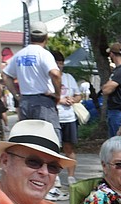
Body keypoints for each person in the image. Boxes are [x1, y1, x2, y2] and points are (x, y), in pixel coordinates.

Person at [2, 21, 61, 142]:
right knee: (49, 139)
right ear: (46, 37)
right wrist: (57, 94)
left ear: (30, 36)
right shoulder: (44, 54)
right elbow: (55, 74)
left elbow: (6, 76)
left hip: (25, 101)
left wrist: (16, 95)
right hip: (43, 101)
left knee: (30, 139)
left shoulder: (20, 55)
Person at [51, 50, 81, 195]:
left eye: (61, 63)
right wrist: (60, 100)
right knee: (53, 149)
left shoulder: (69, 78)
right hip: (54, 117)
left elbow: (78, 95)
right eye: (56, 63)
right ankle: (54, 176)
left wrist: (72, 99)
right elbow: (45, 94)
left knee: (69, 148)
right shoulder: (47, 78)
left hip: (69, 117)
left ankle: (71, 176)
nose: (59, 66)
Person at [101, 42, 121, 137]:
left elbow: (106, 90)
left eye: (110, 54)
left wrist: (105, 87)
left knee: (118, 144)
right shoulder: (119, 70)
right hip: (117, 113)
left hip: (118, 113)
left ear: (112, 54)